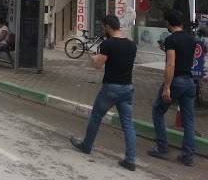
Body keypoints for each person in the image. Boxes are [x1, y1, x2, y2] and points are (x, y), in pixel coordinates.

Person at [71, 14, 137, 171]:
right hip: (127, 88)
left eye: (103, 27)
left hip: (111, 88)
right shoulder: (131, 45)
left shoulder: (108, 44)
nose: (103, 30)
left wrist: (92, 57)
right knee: (128, 124)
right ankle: (130, 160)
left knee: (96, 117)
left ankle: (86, 145)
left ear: (108, 26)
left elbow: (98, 65)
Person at [148, 9, 196, 167]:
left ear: (168, 23)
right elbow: (188, 60)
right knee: (188, 121)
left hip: (176, 81)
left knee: (157, 111)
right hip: (190, 82)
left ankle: (162, 147)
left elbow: (171, 64)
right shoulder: (191, 39)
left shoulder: (170, 39)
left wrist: (167, 87)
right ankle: (188, 156)